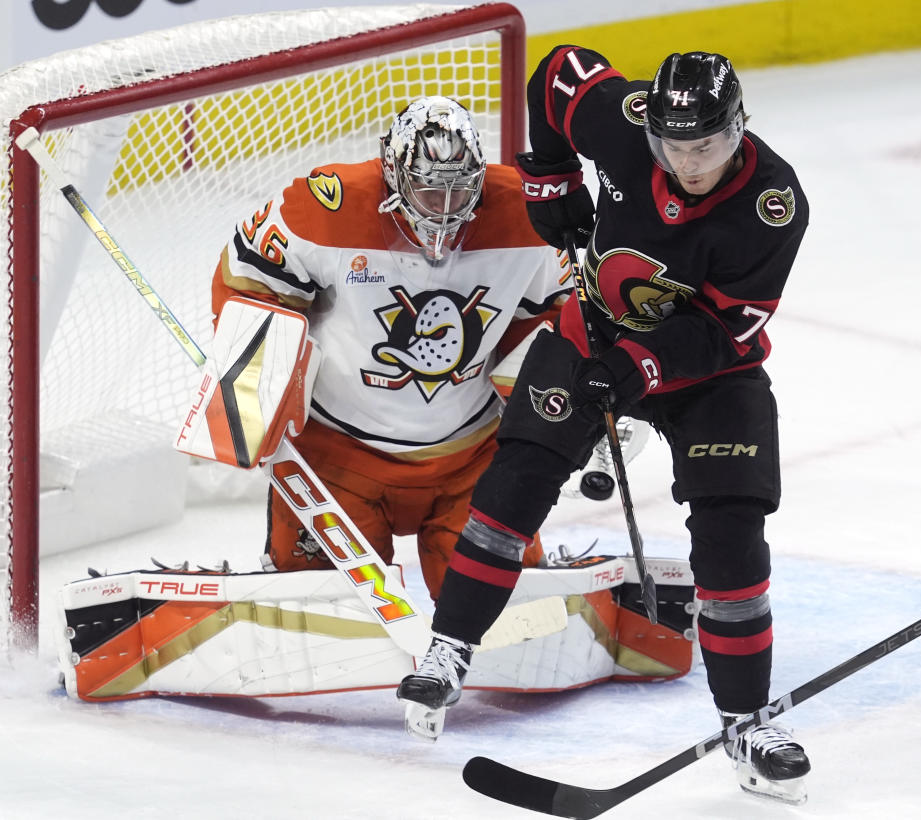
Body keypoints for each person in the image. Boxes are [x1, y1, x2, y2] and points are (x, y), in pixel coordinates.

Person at [396, 49, 812, 804]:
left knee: (731, 528)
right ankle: (447, 650)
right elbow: (558, 70)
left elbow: (725, 329)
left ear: (739, 127)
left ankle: (749, 718)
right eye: (674, 146)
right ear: (650, 128)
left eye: (708, 147)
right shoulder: (622, 123)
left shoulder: (773, 204)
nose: (690, 163)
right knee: (514, 481)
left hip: (710, 374)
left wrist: (637, 370)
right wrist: (549, 176)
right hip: (594, 334)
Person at [211, 95, 569, 601]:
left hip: (475, 460)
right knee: (327, 609)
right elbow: (249, 282)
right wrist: (254, 385)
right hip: (337, 457)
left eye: (459, 191)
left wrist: (552, 401)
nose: (444, 210)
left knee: (503, 610)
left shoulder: (527, 212)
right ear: (394, 173)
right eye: (428, 190)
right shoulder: (327, 205)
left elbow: (566, 311)